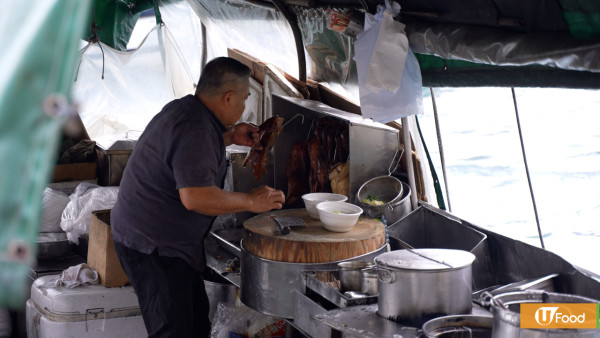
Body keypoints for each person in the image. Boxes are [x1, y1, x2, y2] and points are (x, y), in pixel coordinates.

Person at [111, 57, 285, 337]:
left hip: (152, 238)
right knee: (175, 331)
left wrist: (231, 136)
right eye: (243, 100)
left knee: (194, 326)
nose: (243, 108)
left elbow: (188, 151)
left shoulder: (186, 110)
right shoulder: (196, 130)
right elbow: (195, 198)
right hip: (154, 247)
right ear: (228, 98)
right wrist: (251, 201)